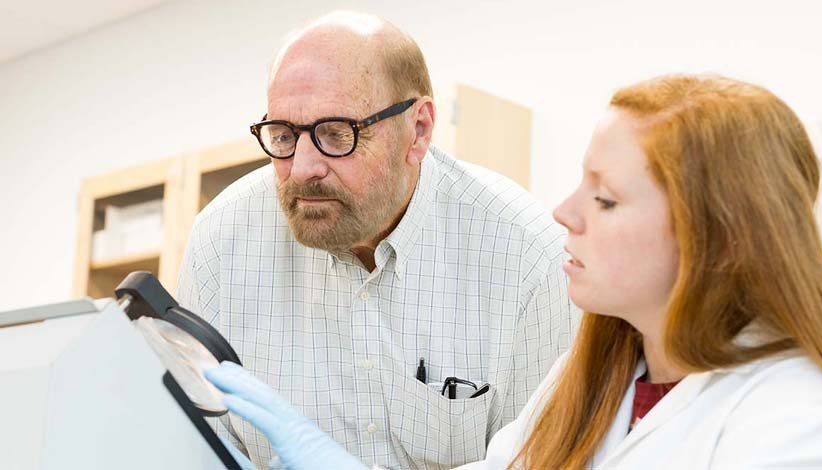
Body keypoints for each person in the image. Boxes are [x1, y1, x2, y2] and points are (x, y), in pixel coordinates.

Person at [207, 74, 822, 469]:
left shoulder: (798, 418)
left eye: (606, 198)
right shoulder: (601, 371)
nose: (565, 213)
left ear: (718, 234)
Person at [179, 11, 574, 469]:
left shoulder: (526, 256)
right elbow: (199, 445)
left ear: (418, 129)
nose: (303, 167)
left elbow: (548, 461)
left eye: (335, 133)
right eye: (284, 136)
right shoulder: (220, 245)